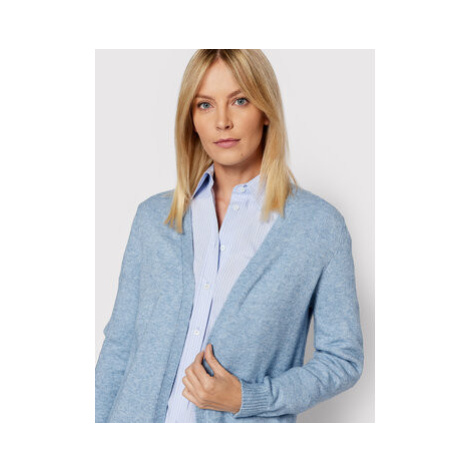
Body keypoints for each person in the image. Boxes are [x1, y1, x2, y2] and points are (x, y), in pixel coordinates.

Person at [95, 49, 364, 423]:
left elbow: (343, 359)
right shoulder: (153, 219)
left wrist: (249, 398)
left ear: (266, 110)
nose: (222, 121)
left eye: (240, 101)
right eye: (205, 105)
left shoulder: (318, 227)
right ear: (191, 119)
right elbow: (119, 346)